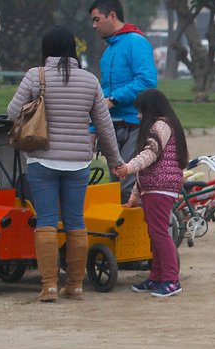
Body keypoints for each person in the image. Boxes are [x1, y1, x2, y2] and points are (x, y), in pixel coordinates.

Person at [7, 25, 123, 302]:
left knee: (46, 221)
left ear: (46, 49)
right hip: (78, 163)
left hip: (42, 159)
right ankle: (75, 285)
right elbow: (104, 127)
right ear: (72, 49)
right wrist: (116, 161)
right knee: (75, 222)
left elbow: (13, 112)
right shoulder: (89, 81)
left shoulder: (35, 76)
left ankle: (48, 285)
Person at [112, 89, 187, 298]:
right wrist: (134, 197)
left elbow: (149, 155)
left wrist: (127, 168)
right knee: (155, 233)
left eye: (140, 112)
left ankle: (171, 279)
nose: (138, 116)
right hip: (154, 187)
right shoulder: (166, 125)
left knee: (160, 233)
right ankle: (157, 276)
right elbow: (146, 171)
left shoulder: (160, 126)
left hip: (160, 187)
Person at [89, 0, 157, 204]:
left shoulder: (136, 42)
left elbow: (146, 81)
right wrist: (93, 129)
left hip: (134, 124)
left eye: (96, 19)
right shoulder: (109, 50)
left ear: (111, 16)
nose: (94, 25)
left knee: (128, 184)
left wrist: (115, 98)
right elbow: (103, 93)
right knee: (116, 183)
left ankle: (149, 233)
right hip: (111, 126)